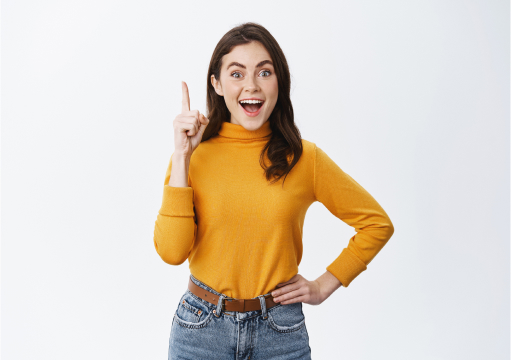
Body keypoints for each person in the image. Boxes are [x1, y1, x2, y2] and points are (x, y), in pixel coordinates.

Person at [154, 22, 394, 360]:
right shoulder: (193, 155)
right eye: (236, 74)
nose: (251, 86)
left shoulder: (304, 157)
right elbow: (172, 252)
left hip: (279, 332)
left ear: (279, 81)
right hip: (201, 330)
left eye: (264, 72)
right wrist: (181, 156)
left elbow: (376, 224)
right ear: (217, 84)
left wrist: (324, 285)